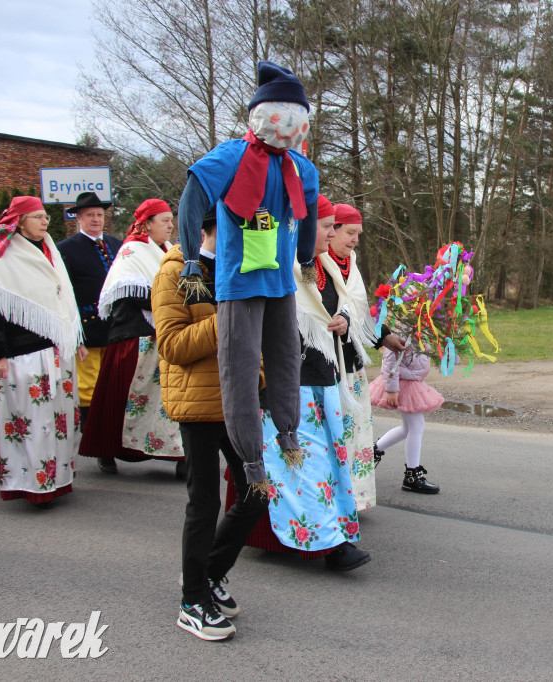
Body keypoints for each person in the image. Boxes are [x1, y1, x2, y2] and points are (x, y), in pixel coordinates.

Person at [175, 60, 318, 492]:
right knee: (237, 368)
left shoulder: (300, 167)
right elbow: (191, 199)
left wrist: (307, 257)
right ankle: (252, 464)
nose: (289, 123)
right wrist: (190, 258)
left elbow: (307, 215)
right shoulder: (231, 156)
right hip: (238, 283)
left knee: (285, 359)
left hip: (279, 282)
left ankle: (287, 435)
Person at [229, 203, 371, 570]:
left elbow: (339, 308)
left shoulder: (320, 268)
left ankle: (328, 535)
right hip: (288, 385)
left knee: (324, 464)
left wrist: (342, 317)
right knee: (302, 466)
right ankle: (331, 546)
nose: (331, 233)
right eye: (325, 226)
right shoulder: (279, 265)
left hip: (321, 379)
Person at [153, 211, 265, 642]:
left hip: (239, 401)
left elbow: (256, 335)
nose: (241, 237)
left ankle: (209, 574)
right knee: (203, 503)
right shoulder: (179, 270)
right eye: (231, 230)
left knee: (257, 492)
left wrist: (260, 378)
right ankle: (192, 601)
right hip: (197, 403)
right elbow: (172, 345)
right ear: (205, 231)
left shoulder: (241, 268)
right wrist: (228, 317)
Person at [0, 196, 88, 505]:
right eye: (37, 216)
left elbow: (63, 300)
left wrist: (75, 340)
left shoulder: (51, 254)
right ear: (19, 222)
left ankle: (58, 479)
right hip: (24, 356)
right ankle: (31, 484)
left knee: (60, 420)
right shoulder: (5, 262)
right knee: (32, 422)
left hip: (55, 353)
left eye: (45, 216)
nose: (45, 221)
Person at [80, 199, 181, 473]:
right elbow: (134, 293)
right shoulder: (132, 251)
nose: (170, 225)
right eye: (164, 220)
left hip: (163, 334)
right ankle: (109, 449)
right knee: (123, 398)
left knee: (165, 401)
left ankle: (177, 454)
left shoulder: (169, 251)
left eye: (171, 220)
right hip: (135, 338)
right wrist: (175, 301)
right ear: (147, 224)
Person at [321, 201, 407, 509]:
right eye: (350, 232)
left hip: (351, 363)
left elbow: (359, 313)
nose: (355, 239)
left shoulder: (350, 265)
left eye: (358, 233)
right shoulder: (316, 264)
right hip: (326, 364)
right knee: (332, 433)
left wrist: (385, 336)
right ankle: (332, 499)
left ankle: (354, 497)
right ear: (332, 231)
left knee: (355, 431)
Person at [57, 192, 124, 471]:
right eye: (90, 215)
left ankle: (115, 440)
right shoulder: (67, 248)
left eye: (99, 214)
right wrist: (74, 332)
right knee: (89, 390)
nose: (96, 219)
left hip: (117, 327)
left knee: (117, 387)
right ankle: (98, 445)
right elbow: (64, 292)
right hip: (88, 328)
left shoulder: (117, 244)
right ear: (79, 218)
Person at [370, 344, 444, 494]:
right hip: (402, 384)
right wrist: (391, 388)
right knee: (417, 425)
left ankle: (373, 452)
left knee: (407, 428)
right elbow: (390, 360)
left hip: (412, 382)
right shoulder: (404, 329)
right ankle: (411, 475)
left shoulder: (422, 330)